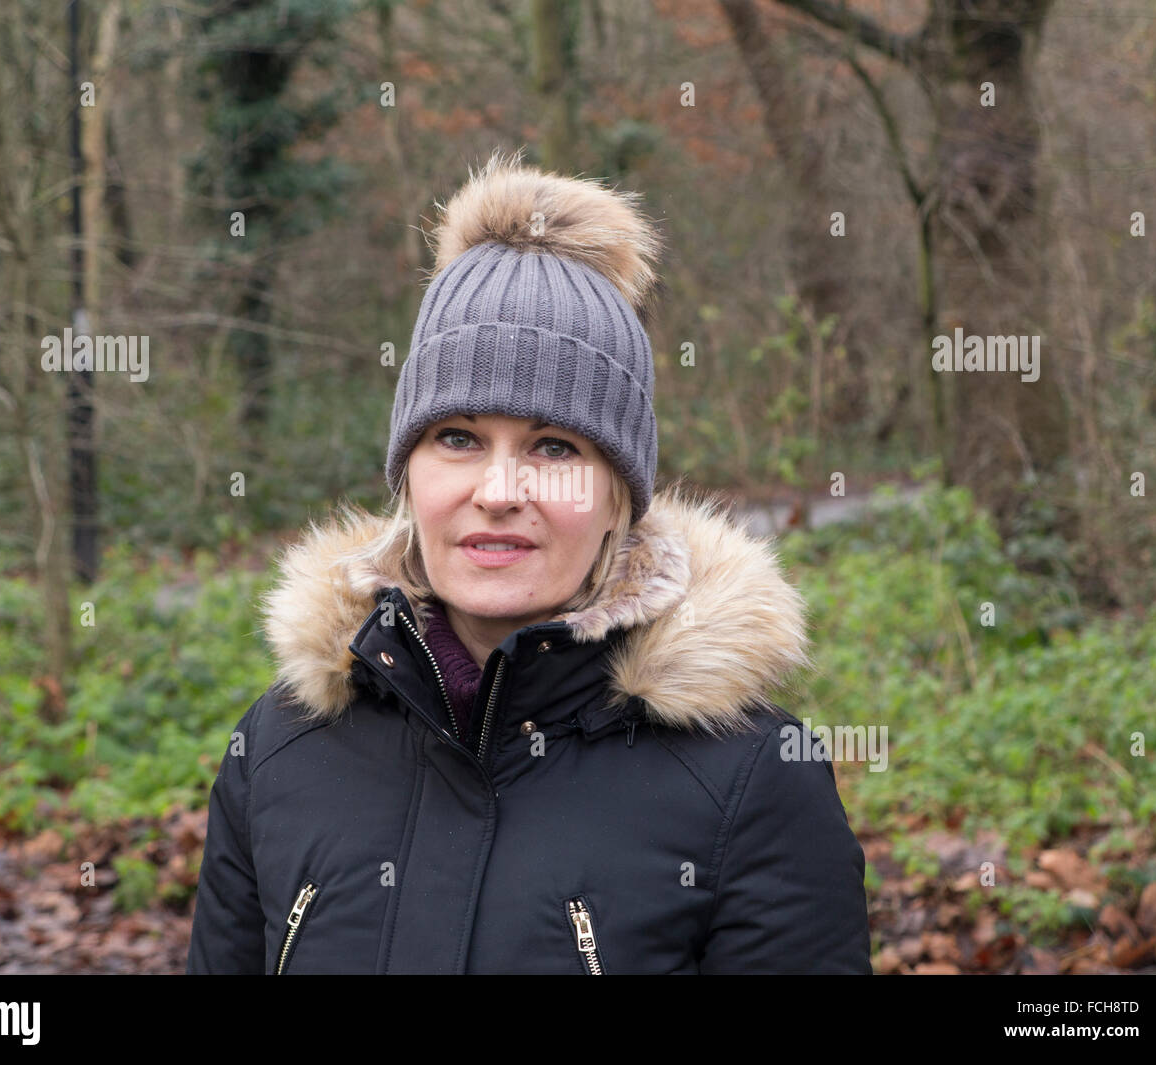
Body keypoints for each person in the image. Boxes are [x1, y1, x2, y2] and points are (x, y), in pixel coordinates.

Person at [185, 148, 871, 974]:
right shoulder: (279, 749)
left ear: (622, 493)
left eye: (553, 445)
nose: (499, 489)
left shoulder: (751, 783)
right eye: (459, 438)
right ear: (408, 470)